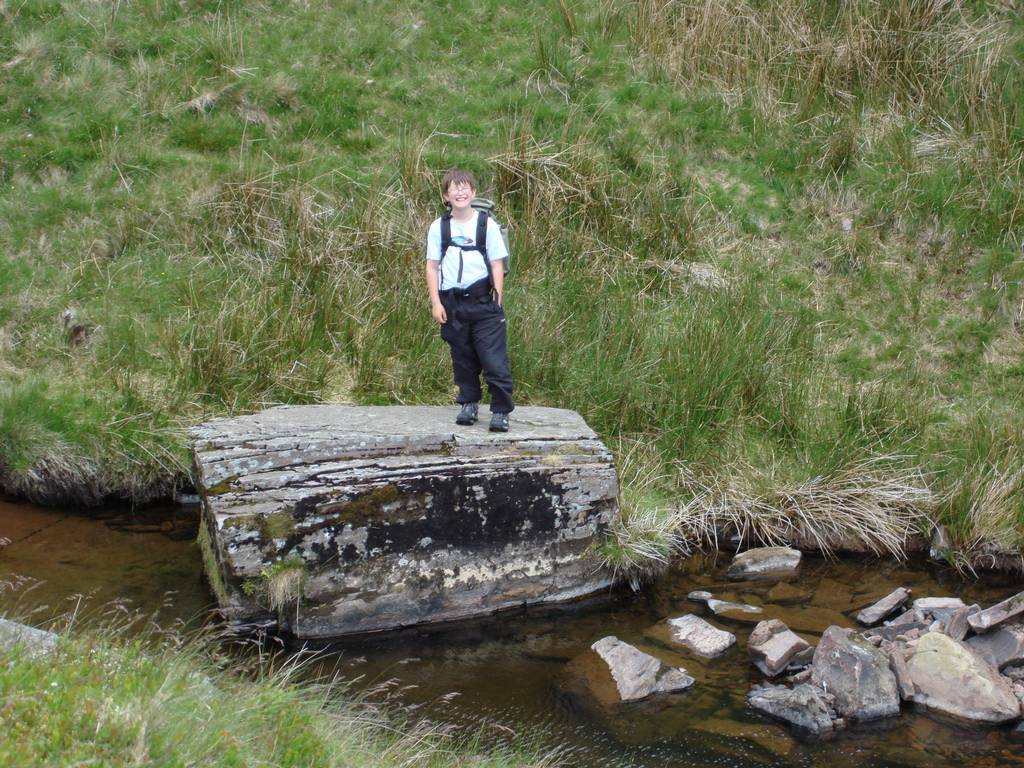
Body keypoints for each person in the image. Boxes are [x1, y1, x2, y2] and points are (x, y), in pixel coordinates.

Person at [425, 168, 513, 431]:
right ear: (446, 196)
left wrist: (497, 297)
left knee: (493, 360)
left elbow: (497, 264)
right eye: (454, 188)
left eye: (465, 188)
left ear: (473, 193)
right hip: (452, 303)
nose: (460, 192)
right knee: (462, 358)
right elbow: (432, 266)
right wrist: (436, 303)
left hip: (484, 302)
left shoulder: (487, 225)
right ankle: (469, 403)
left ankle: (500, 410)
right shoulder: (439, 227)